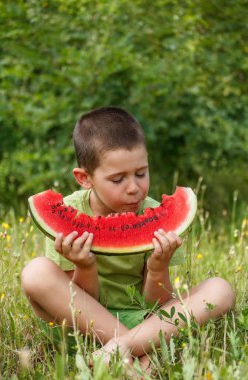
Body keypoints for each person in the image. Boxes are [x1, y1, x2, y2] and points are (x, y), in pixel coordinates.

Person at [21, 106, 235, 370]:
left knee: (220, 289)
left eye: (141, 173)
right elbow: (75, 304)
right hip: (82, 328)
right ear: (84, 178)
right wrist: (84, 266)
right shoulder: (69, 214)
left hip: (146, 320)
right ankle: (139, 352)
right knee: (35, 272)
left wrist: (158, 267)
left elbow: (156, 304)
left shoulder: (153, 214)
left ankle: (120, 351)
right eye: (118, 179)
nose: (134, 188)